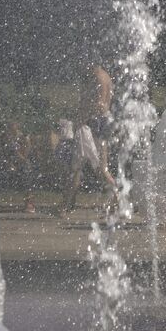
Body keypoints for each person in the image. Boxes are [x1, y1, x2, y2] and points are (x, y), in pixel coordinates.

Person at [62, 64, 115, 217]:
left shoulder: (97, 77)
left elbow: (99, 104)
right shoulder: (105, 76)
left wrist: (82, 119)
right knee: (88, 166)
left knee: (82, 166)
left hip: (94, 123)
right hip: (100, 123)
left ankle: (67, 204)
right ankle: (68, 202)